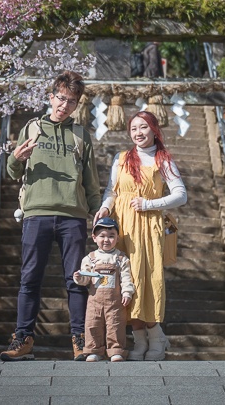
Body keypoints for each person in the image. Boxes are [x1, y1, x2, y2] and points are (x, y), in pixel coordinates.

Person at [0, 71, 102, 361]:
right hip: (37, 214)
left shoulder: (81, 135)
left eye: (71, 101)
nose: (64, 105)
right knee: (29, 278)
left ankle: (80, 340)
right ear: (50, 97)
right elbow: (12, 172)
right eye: (60, 98)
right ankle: (23, 338)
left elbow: (91, 182)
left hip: (72, 217)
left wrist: (98, 213)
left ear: (77, 104)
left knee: (76, 279)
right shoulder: (32, 128)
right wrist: (16, 159)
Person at [93, 110, 187, 360]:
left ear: (154, 129)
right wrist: (105, 208)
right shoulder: (121, 157)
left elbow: (181, 194)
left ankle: (156, 337)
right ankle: (139, 339)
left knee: (148, 278)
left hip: (148, 225)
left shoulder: (162, 159)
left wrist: (149, 204)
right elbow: (111, 191)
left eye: (143, 127)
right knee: (127, 279)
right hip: (122, 225)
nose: (138, 133)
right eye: (134, 128)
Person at [72, 216, 134, 362]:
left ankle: (116, 350)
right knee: (93, 324)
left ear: (117, 238)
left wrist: (127, 292)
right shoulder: (90, 258)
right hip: (95, 300)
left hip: (115, 301)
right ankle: (94, 350)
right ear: (94, 238)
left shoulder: (121, 259)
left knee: (116, 325)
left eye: (111, 236)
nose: (106, 240)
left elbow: (126, 278)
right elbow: (85, 279)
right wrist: (79, 277)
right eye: (102, 236)